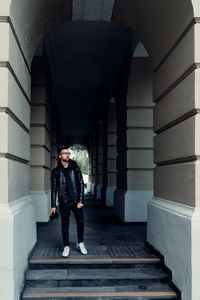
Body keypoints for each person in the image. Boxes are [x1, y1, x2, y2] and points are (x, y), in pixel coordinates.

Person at [50, 146, 87, 257]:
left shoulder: (75, 168)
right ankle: (66, 245)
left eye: (68, 153)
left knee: (80, 222)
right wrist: (53, 205)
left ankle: (80, 243)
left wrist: (80, 200)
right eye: (65, 153)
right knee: (65, 224)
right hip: (64, 202)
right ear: (60, 156)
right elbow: (54, 189)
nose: (67, 155)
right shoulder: (56, 171)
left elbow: (81, 184)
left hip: (76, 201)